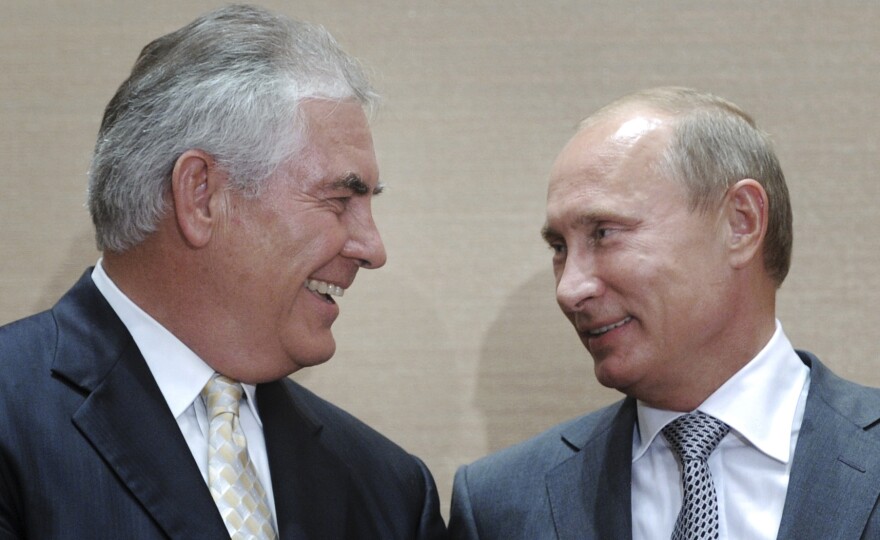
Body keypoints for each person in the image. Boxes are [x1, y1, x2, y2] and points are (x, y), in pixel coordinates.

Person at [0, 5, 446, 539]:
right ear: (202, 196)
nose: (373, 249)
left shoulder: (389, 490)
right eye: (339, 199)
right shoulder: (12, 417)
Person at [449, 87, 880, 539]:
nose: (569, 289)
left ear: (740, 223)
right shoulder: (500, 505)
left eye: (603, 233)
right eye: (559, 247)